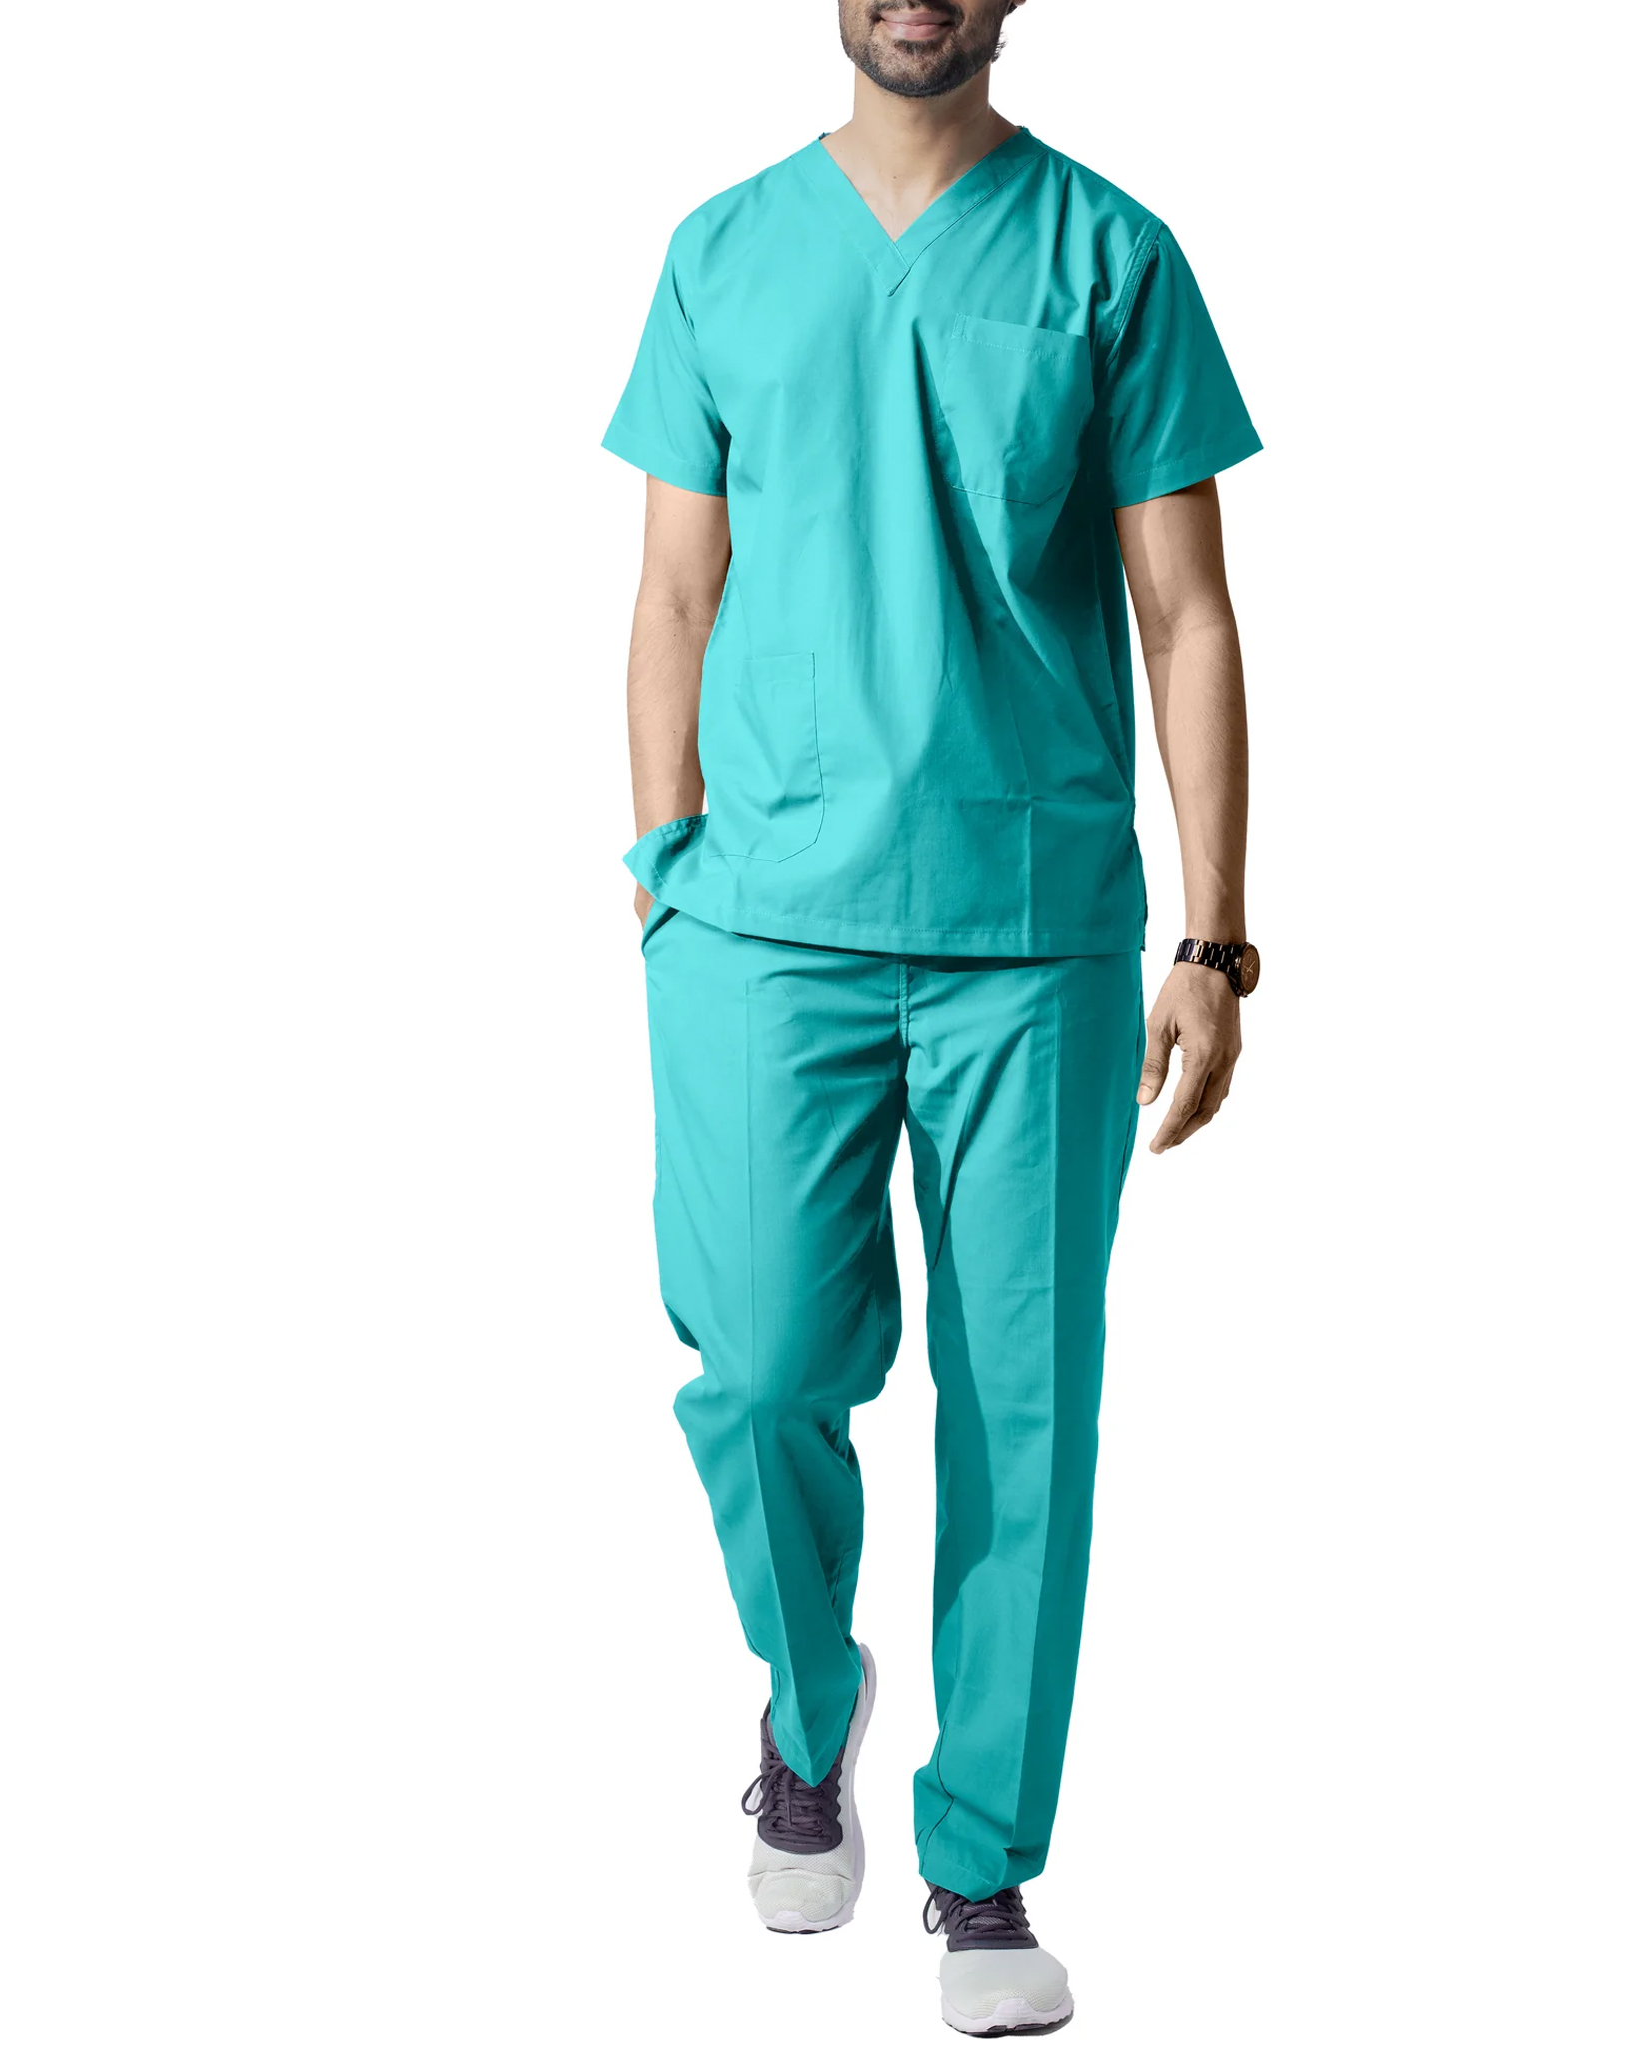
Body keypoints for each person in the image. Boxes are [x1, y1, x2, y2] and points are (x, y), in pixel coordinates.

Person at [604, 1, 1261, 2032]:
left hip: (1030, 928)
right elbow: (674, 593)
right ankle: (808, 1711)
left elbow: (1186, 612)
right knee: (760, 1362)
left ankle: (982, 1865)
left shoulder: (1107, 257)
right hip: (759, 923)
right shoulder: (723, 252)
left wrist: (1215, 940)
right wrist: (662, 875)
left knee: (1026, 1413)